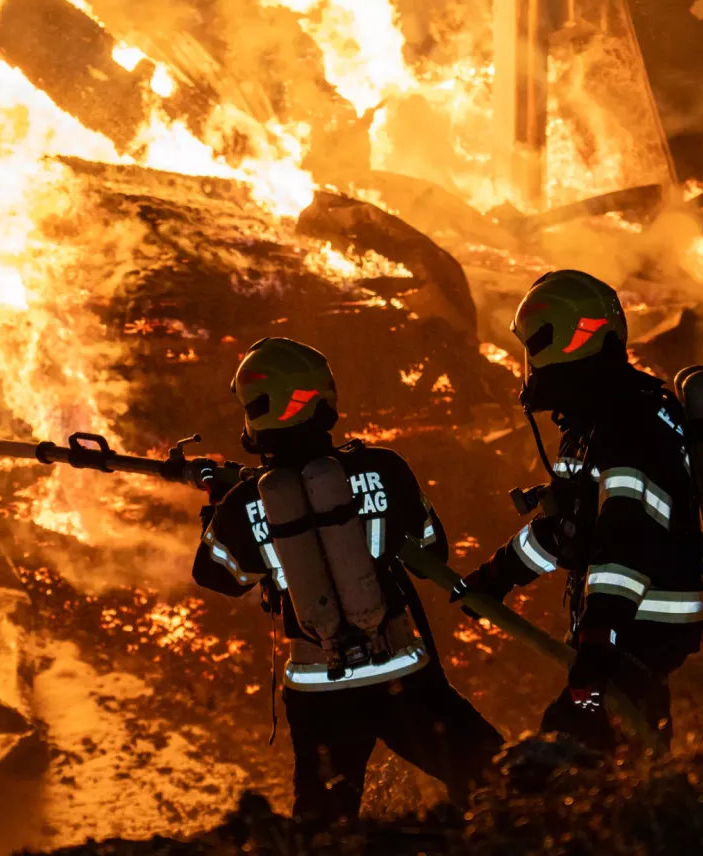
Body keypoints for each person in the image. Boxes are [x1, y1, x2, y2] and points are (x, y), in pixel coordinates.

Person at [193, 337, 504, 821]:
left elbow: (219, 576)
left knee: (324, 824)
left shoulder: (245, 504)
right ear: (323, 399)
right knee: (494, 778)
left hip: (318, 691)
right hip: (400, 673)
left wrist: (218, 510)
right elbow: (431, 546)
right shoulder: (384, 467)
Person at [453, 269, 703, 751]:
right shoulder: (596, 424)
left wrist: (599, 635)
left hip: (640, 626)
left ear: (562, 341)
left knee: (576, 745)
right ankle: (663, 807)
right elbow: (569, 529)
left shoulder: (627, 426)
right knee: (633, 740)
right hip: (628, 629)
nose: (528, 364)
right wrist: (499, 574)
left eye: (532, 348)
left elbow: (626, 542)